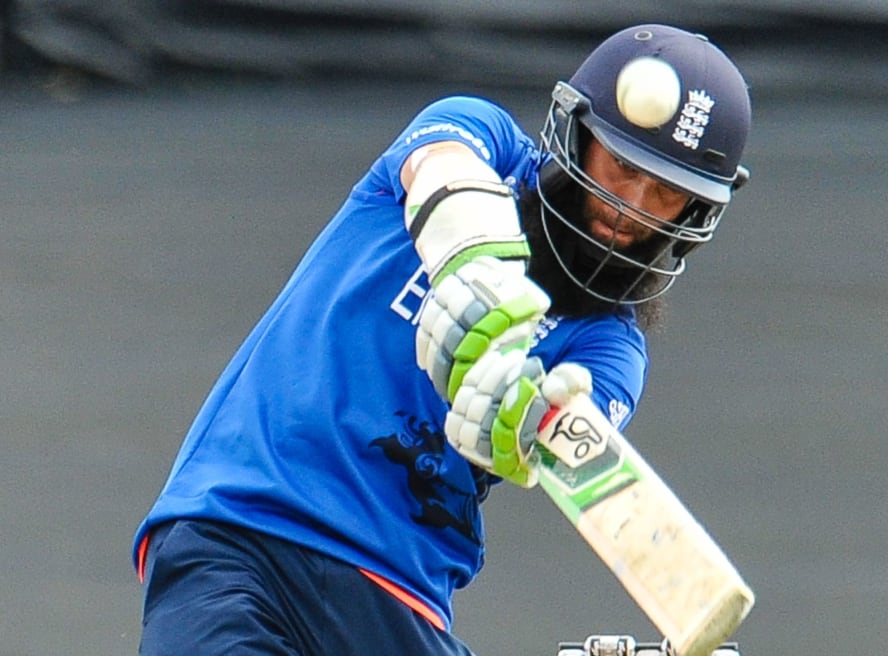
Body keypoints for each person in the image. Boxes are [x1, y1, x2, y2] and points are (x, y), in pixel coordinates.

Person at [132, 23, 752, 656]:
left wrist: (521, 421)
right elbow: (442, 167)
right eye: (621, 166)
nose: (630, 207)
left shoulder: (609, 349)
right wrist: (475, 262)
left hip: (393, 587)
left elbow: (569, 431)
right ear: (580, 135)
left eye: (667, 192)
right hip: (240, 518)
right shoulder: (481, 139)